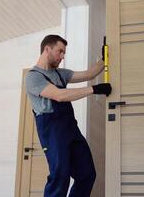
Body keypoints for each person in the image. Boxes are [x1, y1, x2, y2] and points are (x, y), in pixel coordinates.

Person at [25, 35, 112, 197]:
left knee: (87, 174)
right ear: (47, 49)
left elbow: (89, 74)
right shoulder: (33, 77)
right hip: (53, 133)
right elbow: (59, 95)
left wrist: (104, 57)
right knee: (60, 176)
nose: (63, 56)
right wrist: (94, 89)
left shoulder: (60, 74)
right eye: (60, 51)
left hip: (71, 130)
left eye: (64, 53)